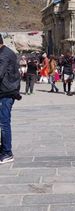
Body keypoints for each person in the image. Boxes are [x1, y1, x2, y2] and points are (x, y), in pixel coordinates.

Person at [0, 33, 21, 164]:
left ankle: (7, 152)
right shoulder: (6, 52)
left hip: (5, 93)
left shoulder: (4, 54)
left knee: (4, 123)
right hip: (6, 91)